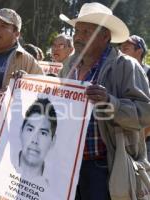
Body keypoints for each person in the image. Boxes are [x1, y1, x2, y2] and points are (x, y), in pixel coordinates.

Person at [59, 2, 150, 200]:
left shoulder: (125, 66)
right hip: (68, 164)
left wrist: (111, 103)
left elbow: (145, 114)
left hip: (104, 167)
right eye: (77, 31)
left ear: (105, 36)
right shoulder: (68, 66)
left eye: (87, 31)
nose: (78, 37)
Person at [17, 98, 57, 179]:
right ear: (21, 131)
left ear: (53, 141)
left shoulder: (56, 186)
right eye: (30, 130)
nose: (35, 140)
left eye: (43, 133)